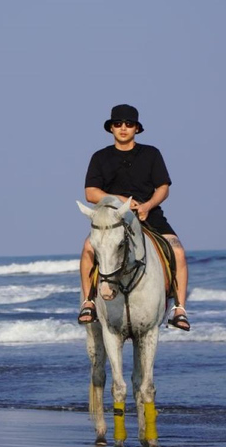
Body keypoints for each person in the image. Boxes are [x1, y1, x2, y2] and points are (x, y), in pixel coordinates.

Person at [79, 104, 190, 331]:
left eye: (129, 124)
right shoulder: (100, 157)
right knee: (88, 248)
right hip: (113, 218)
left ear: (136, 129)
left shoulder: (151, 153)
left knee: (177, 250)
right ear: (111, 128)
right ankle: (88, 302)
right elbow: (91, 193)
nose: (123, 128)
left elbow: (163, 187)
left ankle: (179, 309)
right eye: (118, 124)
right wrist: (120, 200)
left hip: (149, 214)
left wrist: (148, 205)